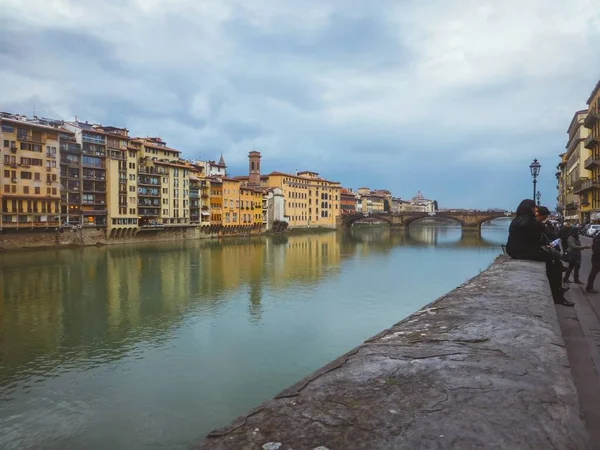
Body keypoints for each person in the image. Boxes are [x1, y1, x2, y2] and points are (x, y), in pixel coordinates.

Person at [506, 200, 573, 306]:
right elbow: (545, 238)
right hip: (525, 253)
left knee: (552, 258)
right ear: (531, 209)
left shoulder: (515, 221)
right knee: (553, 260)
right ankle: (558, 294)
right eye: (534, 208)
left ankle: (558, 287)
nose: (535, 211)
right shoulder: (532, 222)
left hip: (512, 251)